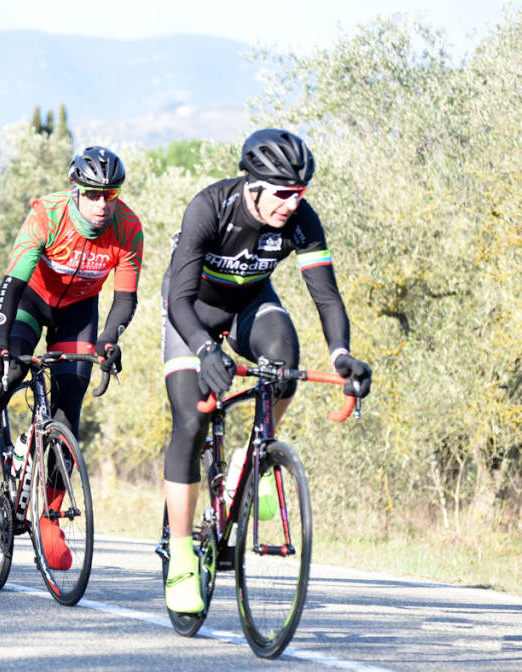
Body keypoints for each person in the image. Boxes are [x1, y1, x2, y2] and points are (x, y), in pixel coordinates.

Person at [160, 128, 372, 612]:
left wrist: (341, 355)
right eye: (281, 193)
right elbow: (178, 300)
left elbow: (326, 296)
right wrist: (204, 350)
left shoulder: (301, 220)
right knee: (191, 421)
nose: (291, 204)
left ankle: (249, 459)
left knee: (284, 360)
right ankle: (180, 558)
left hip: (249, 306)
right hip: (192, 311)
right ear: (251, 184)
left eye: (300, 194)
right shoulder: (209, 207)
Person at [0, 146, 144, 570]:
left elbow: (125, 298)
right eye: (93, 194)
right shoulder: (47, 215)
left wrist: (109, 341)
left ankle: (51, 517)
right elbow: (11, 283)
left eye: (110, 195)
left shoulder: (129, 227)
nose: (102, 205)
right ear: (76, 189)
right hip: (31, 301)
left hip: (79, 312)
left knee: (66, 416)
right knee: (8, 373)